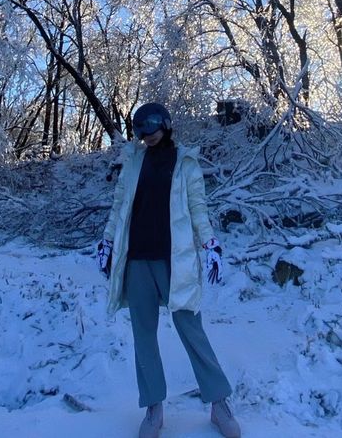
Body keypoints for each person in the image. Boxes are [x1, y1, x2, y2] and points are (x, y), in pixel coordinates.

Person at [98, 102, 241, 438]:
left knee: (190, 327)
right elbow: (120, 205)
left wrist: (210, 243)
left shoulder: (185, 162)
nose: (145, 135)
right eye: (138, 129)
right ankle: (154, 409)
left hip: (174, 260)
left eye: (149, 126)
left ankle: (219, 404)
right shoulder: (133, 160)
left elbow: (197, 208)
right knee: (143, 333)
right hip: (137, 261)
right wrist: (107, 241)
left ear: (164, 124)